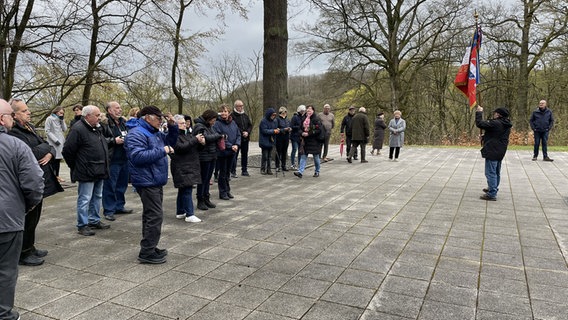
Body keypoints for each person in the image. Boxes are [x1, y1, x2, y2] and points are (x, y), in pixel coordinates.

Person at [0, 98, 44, 320]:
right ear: (2, 119)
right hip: (6, 220)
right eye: (9, 115)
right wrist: (24, 206)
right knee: (6, 269)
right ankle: (3, 314)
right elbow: (35, 183)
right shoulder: (16, 145)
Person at [9, 98, 63, 266]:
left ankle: (30, 247)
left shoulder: (30, 127)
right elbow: (30, 152)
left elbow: (48, 145)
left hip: (41, 179)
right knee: (27, 218)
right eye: (24, 111)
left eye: (28, 110)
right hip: (26, 183)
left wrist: (49, 153)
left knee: (35, 218)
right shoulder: (13, 132)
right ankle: (23, 253)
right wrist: (46, 149)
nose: (29, 113)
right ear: (14, 114)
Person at [124, 106, 178, 264]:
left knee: (151, 215)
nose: (161, 120)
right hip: (146, 180)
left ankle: (150, 246)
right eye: (158, 117)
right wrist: (163, 151)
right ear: (147, 117)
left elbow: (171, 142)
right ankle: (147, 252)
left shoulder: (153, 132)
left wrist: (173, 126)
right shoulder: (136, 133)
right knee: (154, 216)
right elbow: (137, 156)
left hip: (154, 179)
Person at [62, 105, 111, 236]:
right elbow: (67, 151)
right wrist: (76, 166)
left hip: (99, 169)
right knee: (85, 198)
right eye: (97, 115)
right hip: (86, 171)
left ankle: (94, 220)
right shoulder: (78, 129)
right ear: (87, 116)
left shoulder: (97, 128)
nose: (99, 117)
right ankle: (82, 224)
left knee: (97, 196)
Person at [100, 101, 133, 221]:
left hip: (124, 158)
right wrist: (114, 141)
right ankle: (109, 210)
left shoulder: (124, 122)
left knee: (122, 184)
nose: (120, 110)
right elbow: (101, 140)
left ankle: (119, 206)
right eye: (117, 108)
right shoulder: (104, 123)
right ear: (109, 110)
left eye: (120, 108)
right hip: (112, 159)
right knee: (110, 186)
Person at [171, 114, 205, 223]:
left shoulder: (188, 134)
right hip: (181, 166)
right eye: (181, 123)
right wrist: (195, 139)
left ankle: (180, 211)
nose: (184, 125)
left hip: (189, 165)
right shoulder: (173, 136)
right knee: (187, 189)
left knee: (183, 189)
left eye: (184, 123)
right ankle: (190, 214)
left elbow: (193, 147)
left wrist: (201, 143)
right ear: (175, 125)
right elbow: (181, 148)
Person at [476, 106, 512, 201]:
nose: (494, 114)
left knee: (490, 172)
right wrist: (485, 136)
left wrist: (479, 112)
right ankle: (493, 187)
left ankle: (492, 193)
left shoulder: (496, 123)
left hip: (493, 150)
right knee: (496, 172)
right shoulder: (506, 124)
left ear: (499, 114)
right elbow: (497, 135)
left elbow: (480, 124)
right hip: (500, 150)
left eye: (495, 113)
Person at [193, 109, 224, 210]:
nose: (214, 122)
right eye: (213, 120)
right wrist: (218, 136)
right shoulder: (199, 126)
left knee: (207, 179)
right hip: (203, 156)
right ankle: (200, 199)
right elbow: (206, 138)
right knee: (203, 179)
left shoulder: (210, 126)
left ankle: (206, 197)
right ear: (208, 118)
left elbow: (212, 136)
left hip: (211, 155)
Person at [213, 104, 241, 200]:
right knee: (223, 172)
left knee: (228, 172)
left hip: (232, 152)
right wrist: (230, 145)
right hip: (223, 152)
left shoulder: (233, 123)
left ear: (229, 112)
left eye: (226, 111)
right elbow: (220, 137)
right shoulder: (217, 124)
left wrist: (237, 144)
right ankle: (222, 192)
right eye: (222, 111)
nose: (224, 113)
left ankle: (228, 190)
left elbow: (238, 134)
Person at [294, 105, 322, 178]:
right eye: (307, 109)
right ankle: (300, 171)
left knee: (316, 157)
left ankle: (317, 171)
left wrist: (309, 133)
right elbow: (299, 128)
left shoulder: (316, 119)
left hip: (314, 141)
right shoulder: (304, 118)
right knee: (303, 156)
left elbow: (318, 130)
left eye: (310, 109)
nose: (308, 110)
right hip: (305, 141)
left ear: (313, 110)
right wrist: (302, 133)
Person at [44, 106, 67, 182]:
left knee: (58, 160)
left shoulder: (60, 120)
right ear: (56, 111)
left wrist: (62, 120)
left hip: (61, 142)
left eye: (62, 113)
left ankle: (57, 175)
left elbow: (65, 129)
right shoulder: (49, 119)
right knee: (52, 159)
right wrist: (55, 140)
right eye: (60, 113)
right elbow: (47, 131)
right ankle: (51, 176)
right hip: (53, 142)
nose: (61, 114)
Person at [231, 100, 253, 176]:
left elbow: (250, 125)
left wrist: (247, 132)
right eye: (239, 106)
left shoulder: (245, 116)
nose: (241, 107)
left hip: (245, 139)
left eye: (242, 105)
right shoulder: (232, 116)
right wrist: (242, 132)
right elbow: (234, 126)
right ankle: (233, 171)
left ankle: (244, 170)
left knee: (244, 155)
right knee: (234, 155)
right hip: (236, 139)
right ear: (236, 107)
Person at [258, 108, 280, 175]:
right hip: (264, 141)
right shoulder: (263, 121)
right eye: (272, 115)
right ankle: (263, 169)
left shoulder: (275, 121)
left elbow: (275, 128)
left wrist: (277, 130)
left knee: (269, 156)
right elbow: (264, 131)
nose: (273, 117)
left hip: (271, 141)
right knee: (265, 156)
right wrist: (274, 131)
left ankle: (269, 169)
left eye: (274, 115)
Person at [275, 106, 291, 172]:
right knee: (278, 152)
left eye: (285, 112)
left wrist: (289, 129)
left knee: (284, 152)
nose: (285, 113)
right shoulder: (277, 120)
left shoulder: (287, 120)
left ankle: (283, 165)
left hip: (286, 137)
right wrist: (283, 130)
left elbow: (289, 126)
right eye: (284, 112)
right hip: (279, 138)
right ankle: (277, 166)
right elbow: (276, 129)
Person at [290, 105, 306, 170]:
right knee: (294, 149)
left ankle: (300, 163)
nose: (302, 112)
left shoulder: (304, 118)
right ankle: (292, 164)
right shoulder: (295, 117)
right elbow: (291, 126)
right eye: (301, 111)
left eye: (303, 111)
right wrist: (299, 127)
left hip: (300, 137)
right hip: (294, 136)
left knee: (300, 151)